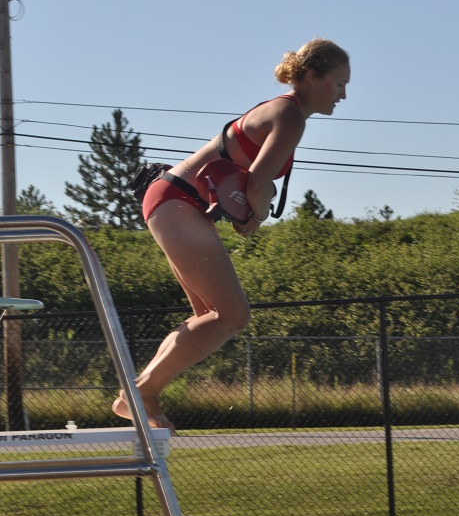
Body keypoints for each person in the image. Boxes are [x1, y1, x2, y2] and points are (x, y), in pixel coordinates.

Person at [112, 38, 350, 432]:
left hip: (174, 200)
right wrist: (256, 214)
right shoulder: (291, 116)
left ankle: (138, 395)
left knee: (210, 316)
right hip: (178, 201)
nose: (344, 94)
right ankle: (139, 394)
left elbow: (250, 179)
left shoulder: (282, 111)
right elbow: (257, 184)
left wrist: (258, 201)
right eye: (339, 83)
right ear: (312, 77)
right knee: (232, 316)